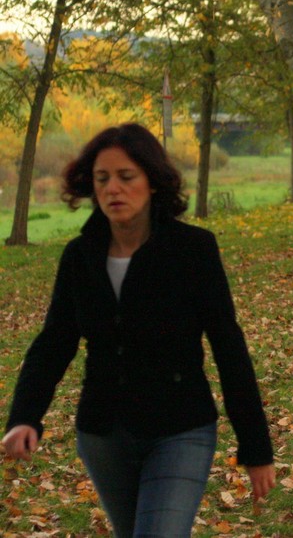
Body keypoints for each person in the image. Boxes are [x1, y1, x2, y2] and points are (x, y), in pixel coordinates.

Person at [2, 123, 275, 537]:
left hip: (181, 430)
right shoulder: (80, 257)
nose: (113, 188)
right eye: (102, 179)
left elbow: (228, 346)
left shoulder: (193, 250)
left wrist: (255, 447)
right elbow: (54, 344)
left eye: (126, 177)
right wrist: (24, 418)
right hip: (102, 435)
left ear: (152, 182)